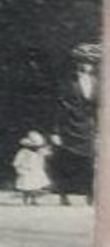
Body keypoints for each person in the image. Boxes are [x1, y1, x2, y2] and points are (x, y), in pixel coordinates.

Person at [50, 42, 99, 205]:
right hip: (69, 126)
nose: (85, 65)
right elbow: (58, 106)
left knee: (90, 161)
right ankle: (63, 194)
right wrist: (55, 131)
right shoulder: (67, 82)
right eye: (82, 62)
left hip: (88, 127)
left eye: (89, 62)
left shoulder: (98, 83)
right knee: (65, 160)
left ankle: (90, 194)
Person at [13, 131, 52, 204]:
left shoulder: (40, 151)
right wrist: (19, 168)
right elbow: (17, 161)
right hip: (26, 170)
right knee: (26, 186)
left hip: (36, 171)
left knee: (35, 186)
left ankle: (33, 199)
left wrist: (48, 149)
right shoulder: (23, 152)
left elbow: (47, 154)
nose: (35, 147)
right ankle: (25, 199)